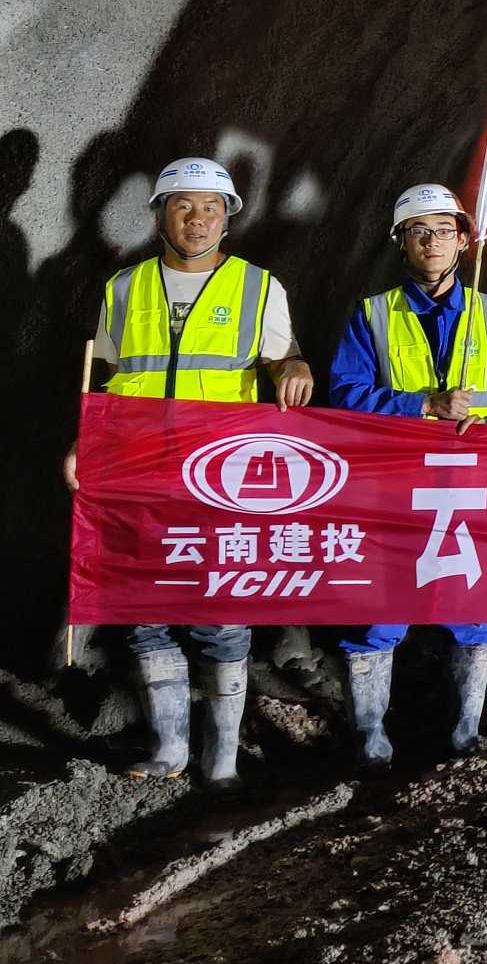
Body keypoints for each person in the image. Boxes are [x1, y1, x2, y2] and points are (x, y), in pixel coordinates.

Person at [70, 157, 312, 789]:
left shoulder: (258, 286)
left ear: (227, 219)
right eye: (182, 206)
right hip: (141, 472)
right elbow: (111, 381)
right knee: (145, 609)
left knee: (220, 614)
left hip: (221, 477)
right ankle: (170, 748)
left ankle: (222, 758)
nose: (197, 219)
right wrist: (85, 444)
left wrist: (293, 366)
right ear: (159, 215)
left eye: (211, 208)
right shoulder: (124, 287)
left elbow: (282, 358)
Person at [327, 183, 487, 770]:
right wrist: (423, 405)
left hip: (470, 485)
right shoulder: (373, 314)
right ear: (402, 242)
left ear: (464, 241)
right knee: (378, 607)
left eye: (445, 230)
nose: (433, 241)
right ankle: (370, 738)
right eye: (420, 231)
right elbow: (346, 394)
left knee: (473, 605)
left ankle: (465, 735)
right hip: (393, 486)